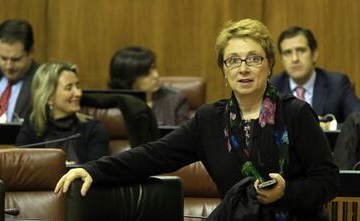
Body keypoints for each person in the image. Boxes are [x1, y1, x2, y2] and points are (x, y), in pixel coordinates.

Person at [55, 19, 338, 220]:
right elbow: (154, 155)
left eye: (254, 59)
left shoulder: (295, 113)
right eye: (233, 60)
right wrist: (93, 169)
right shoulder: (209, 120)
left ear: (269, 66)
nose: (243, 68)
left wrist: (286, 193)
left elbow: (328, 181)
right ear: (223, 71)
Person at [16, 61, 109, 164]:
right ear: (49, 97)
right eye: (69, 88)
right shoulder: (30, 132)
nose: (78, 93)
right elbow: (21, 170)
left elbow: (97, 171)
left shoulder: (93, 129)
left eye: (78, 86)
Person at [271, 26, 360, 123]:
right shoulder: (272, 87)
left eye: (301, 50)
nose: (295, 59)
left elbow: (357, 121)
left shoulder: (337, 84)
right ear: (282, 59)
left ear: (314, 54)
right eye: (288, 53)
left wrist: (329, 127)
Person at [108, 46, 190, 126]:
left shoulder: (175, 100)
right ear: (128, 77)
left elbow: (185, 137)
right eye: (146, 73)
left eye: (154, 68)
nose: (156, 75)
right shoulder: (108, 104)